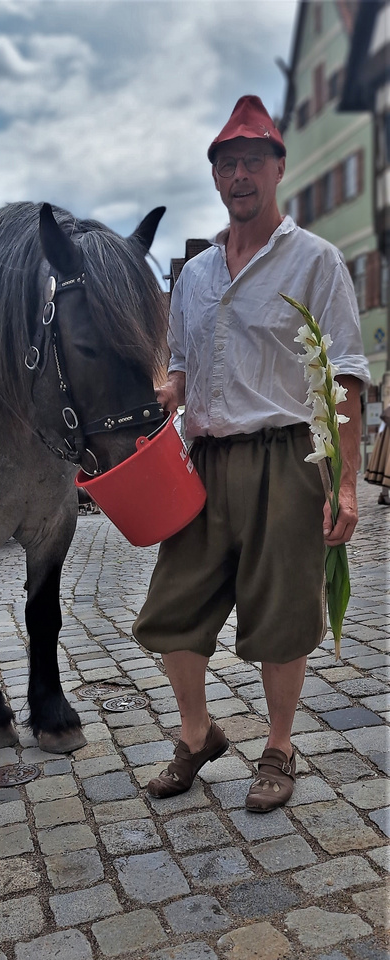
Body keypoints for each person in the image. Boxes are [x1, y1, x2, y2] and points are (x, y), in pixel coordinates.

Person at [133, 95, 370, 811]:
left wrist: (347, 484)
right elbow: (178, 368)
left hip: (286, 458)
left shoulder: (315, 262)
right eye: (226, 164)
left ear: (277, 169)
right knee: (173, 609)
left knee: (279, 613)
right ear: (215, 177)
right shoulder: (196, 275)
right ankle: (198, 733)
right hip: (202, 463)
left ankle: (277, 746)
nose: (239, 175)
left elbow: (347, 376)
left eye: (251, 162)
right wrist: (167, 390)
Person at [364, 404, 390, 505]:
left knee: (386, 465)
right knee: (387, 465)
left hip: (386, 436)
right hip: (387, 437)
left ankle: (384, 494)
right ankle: (384, 495)